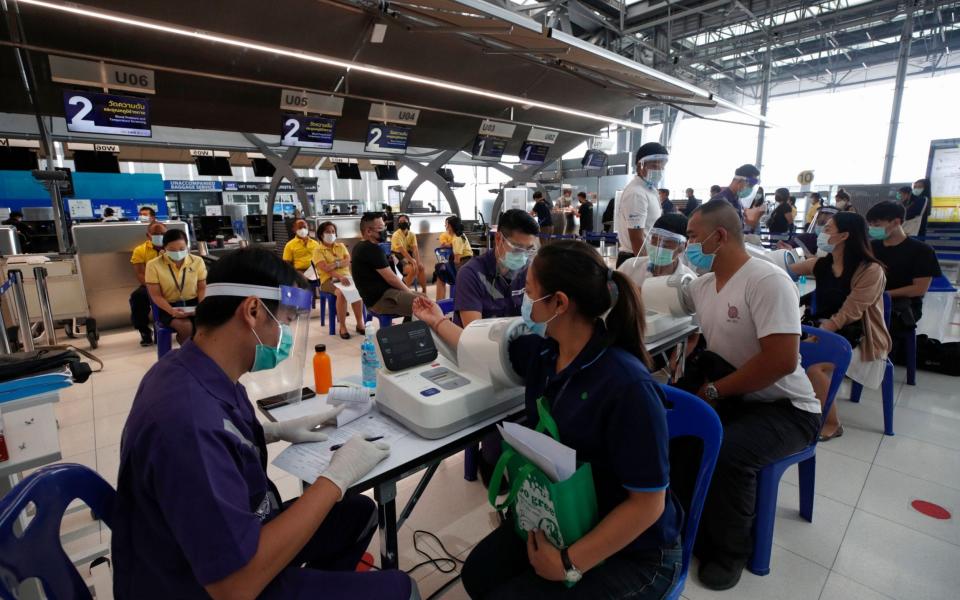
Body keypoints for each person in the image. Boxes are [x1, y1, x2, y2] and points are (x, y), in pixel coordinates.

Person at [112, 247, 416, 600]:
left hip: (237, 531)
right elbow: (234, 586)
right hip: (204, 586)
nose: (284, 336)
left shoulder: (196, 369)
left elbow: (225, 439)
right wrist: (336, 478)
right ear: (253, 310)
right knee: (401, 589)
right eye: (285, 321)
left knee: (358, 513)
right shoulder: (187, 422)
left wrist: (273, 431)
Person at [414, 241, 682, 599]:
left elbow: (648, 504)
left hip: (634, 550)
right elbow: (474, 345)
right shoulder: (546, 352)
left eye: (530, 291)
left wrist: (569, 562)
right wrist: (436, 320)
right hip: (568, 516)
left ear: (559, 303)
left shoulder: (626, 386)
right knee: (478, 574)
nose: (524, 299)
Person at [682, 200, 821, 590]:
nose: (687, 246)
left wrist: (713, 390)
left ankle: (730, 553)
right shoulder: (705, 284)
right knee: (682, 436)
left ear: (719, 236)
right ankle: (692, 528)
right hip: (740, 397)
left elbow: (780, 361)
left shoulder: (766, 281)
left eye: (693, 237)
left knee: (730, 454)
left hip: (787, 409)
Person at [789, 212, 890, 441]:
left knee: (816, 367)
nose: (822, 232)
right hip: (823, 330)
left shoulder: (871, 270)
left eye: (828, 229)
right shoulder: (824, 264)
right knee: (782, 351)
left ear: (844, 235)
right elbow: (788, 269)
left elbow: (851, 312)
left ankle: (833, 424)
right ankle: (801, 411)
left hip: (859, 337)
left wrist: (819, 336)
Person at [454, 209, 538, 328]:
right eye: (517, 248)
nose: (523, 256)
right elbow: (473, 337)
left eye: (528, 250)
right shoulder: (471, 274)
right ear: (498, 239)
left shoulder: (528, 272)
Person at [866, 201, 942, 325]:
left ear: (896, 222)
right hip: (870, 300)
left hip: (903, 306)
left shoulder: (922, 251)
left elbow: (919, 288)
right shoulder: (870, 247)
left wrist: (883, 295)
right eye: (870, 224)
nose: (872, 228)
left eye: (877, 224)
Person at [352, 212, 421, 317]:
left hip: (382, 294)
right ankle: (409, 331)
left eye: (384, 226)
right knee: (424, 305)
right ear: (368, 231)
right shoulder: (370, 249)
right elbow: (391, 278)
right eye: (380, 228)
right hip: (380, 299)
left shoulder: (360, 246)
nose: (384, 230)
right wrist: (409, 292)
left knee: (423, 298)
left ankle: (407, 329)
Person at [145, 229, 207, 344]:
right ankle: (189, 356)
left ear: (187, 246)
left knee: (210, 324)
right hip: (168, 307)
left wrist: (201, 307)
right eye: (172, 250)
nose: (178, 253)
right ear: (164, 248)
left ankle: (203, 354)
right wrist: (172, 311)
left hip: (194, 303)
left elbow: (202, 288)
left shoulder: (197, 261)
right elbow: (156, 295)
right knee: (186, 327)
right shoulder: (153, 265)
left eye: (182, 249)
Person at [615, 142, 668, 265]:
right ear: (640, 166)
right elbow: (637, 239)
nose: (659, 170)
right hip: (635, 259)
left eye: (662, 166)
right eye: (655, 165)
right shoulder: (636, 193)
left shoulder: (649, 189)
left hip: (644, 257)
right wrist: (646, 267)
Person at [315, 221, 365, 340]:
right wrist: (339, 273)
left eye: (333, 231)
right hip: (329, 280)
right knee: (341, 293)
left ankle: (359, 323)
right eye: (327, 232)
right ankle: (342, 326)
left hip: (347, 278)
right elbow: (325, 269)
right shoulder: (318, 250)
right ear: (321, 234)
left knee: (358, 290)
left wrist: (335, 264)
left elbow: (348, 261)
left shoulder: (341, 246)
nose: (331, 234)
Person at [617, 213, 694, 289]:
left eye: (667, 242)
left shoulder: (690, 282)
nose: (659, 247)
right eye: (655, 239)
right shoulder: (630, 267)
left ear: (683, 246)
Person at [130, 221, 168, 346]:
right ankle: (144, 331)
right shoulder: (140, 250)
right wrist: (154, 288)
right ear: (148, 235)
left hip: (173, 283)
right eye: (156, 234)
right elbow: (140, 274)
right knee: (138, 297)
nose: (160, 236)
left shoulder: (174, 247)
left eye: (162, 233)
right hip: (150, 284)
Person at [434, 215, 473, 302]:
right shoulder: (460, 235)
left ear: (451, 227)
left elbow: (457, 260)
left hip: (462, 267)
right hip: (467, 264)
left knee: (439, 269)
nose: (446, 227)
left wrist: (447, 266)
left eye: (447, 225)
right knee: (440, 272)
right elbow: (454, 245)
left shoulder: (457, 238)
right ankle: (439, 301)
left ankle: (439, 302)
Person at [391, 214, 427, 291]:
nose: (402, 222)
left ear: (409, 223)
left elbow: (415, 249)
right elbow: (402, 250)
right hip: (397, 258)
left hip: (407, 257)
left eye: (404, 221)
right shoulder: (396, 235)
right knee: (413, 269)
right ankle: (405, 290)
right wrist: (412, 262)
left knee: (421, 267)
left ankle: (424, 291)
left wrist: (418, 262)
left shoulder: (412, 234)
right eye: (400, 221)